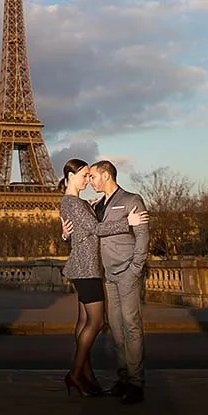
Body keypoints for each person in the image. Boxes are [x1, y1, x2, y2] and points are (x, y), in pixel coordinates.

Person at [58, 158, 148, 398]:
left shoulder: (96, 203)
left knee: (102, 324)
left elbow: (82, 228)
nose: (89, 180)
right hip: (90, 269)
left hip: (108, 269)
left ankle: (99, 378)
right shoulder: (76, 203)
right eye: (85, 176)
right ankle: (78, 374)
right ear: (70, 177)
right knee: (100, 323)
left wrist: (136, 266)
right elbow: (95, 229)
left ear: (105, 175)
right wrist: (126, 221)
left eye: (91, 176)